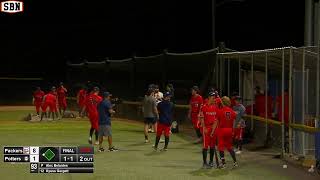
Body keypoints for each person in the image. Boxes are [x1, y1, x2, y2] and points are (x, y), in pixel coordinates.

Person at [199, 91, 220, 169]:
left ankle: (211, 161)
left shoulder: (216, 107)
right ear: (208, 97)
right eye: (212, 96)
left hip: (213, 128)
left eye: (214, 96)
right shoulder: (203, 106)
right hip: (206, 128)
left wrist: (213, 130)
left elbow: (216, 120)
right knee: (205, 146)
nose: (213, 98)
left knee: (212, 146)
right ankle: (204, 162)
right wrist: (204, 128)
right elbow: (202, 118)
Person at [217, 96, 238, 169]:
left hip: (222, 130)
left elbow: (217, 121)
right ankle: (235, 162)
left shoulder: (220, 111)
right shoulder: (232, 111)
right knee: (229, 147)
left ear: (222, 102)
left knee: (221, 147)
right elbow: (237, 119)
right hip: (230, 130)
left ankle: (223, 164)